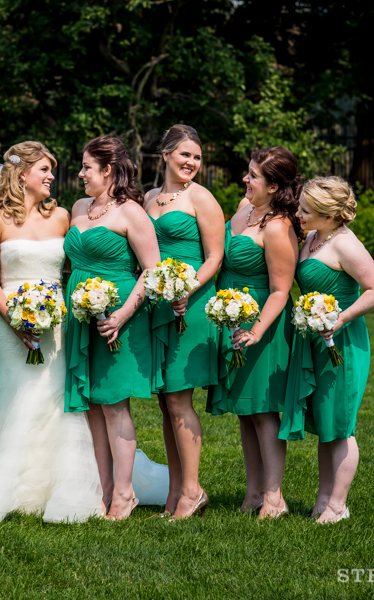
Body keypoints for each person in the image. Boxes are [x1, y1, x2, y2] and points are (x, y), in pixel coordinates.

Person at [0, 141, 104, 525]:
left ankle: (59, 486)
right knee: (17, 399)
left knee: (52, 400)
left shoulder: (62, 218)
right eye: (45, 170)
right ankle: (11, 485)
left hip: (55, 325)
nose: (52, 177)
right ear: (23, 175)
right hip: (11, 325)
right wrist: (16, 321)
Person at [280, 176, 374, 524]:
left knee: (341, 424)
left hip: (342, 342)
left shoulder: (346, 244)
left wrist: (338, 320)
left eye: (306, 210)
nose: (299, 213)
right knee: (326, 424)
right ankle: (323, 498)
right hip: (315, 339)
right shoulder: (313, 236)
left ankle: (339, 506)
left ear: (329, 216)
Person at [64, 135, 161, 520]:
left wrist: (122, 315)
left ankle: (125, 493)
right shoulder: (78, 207)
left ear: (108, 170)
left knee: (115, 406)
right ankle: (104, 491)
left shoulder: (131, 212)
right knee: (91, 407)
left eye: (87, 167)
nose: (81, 173)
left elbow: (153, 271)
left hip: (116, 321)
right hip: (80, 317)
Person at [206, 146, 300, 519]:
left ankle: (275, 498)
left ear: (274, 186)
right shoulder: (244, 210)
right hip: (233, 319)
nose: (245, 179)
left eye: (253, 176)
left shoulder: (278, 228)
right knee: (245, 410)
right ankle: (253, 492)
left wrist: (257, 331)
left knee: (263, 411)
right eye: (247, 172)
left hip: (263, 324)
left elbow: (281, 290)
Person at [144, 125, 225, 519]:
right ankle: (176, 492)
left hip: (190, 304)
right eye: (185, 155)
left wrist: (187, 289)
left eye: (197, 157)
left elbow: (214, 257)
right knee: (164, 401)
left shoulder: (202, 198)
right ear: (165, 155)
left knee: (178, 397)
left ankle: (193, 490)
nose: (192, 163)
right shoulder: (148, 199)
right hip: (159, 303)